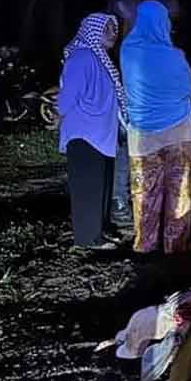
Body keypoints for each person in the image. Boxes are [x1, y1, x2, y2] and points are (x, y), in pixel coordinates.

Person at [121, 0, 191, 255]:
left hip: (142, 136)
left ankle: (145, 244)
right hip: (178, 131)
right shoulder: (174, 55)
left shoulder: (127, 50)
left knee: (144, 192)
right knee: (179, 191)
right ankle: (175, 247)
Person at [57, 13, 124, 250]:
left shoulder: (99, 58)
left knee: (101, 187)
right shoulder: (82, 57)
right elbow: (66, 100)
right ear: (93, 30)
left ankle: (100, 231)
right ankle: (88, 238)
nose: (113, 34)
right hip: (84, 134)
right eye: (108, 29)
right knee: (88, 188)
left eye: (115, 29)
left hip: (101, 134)